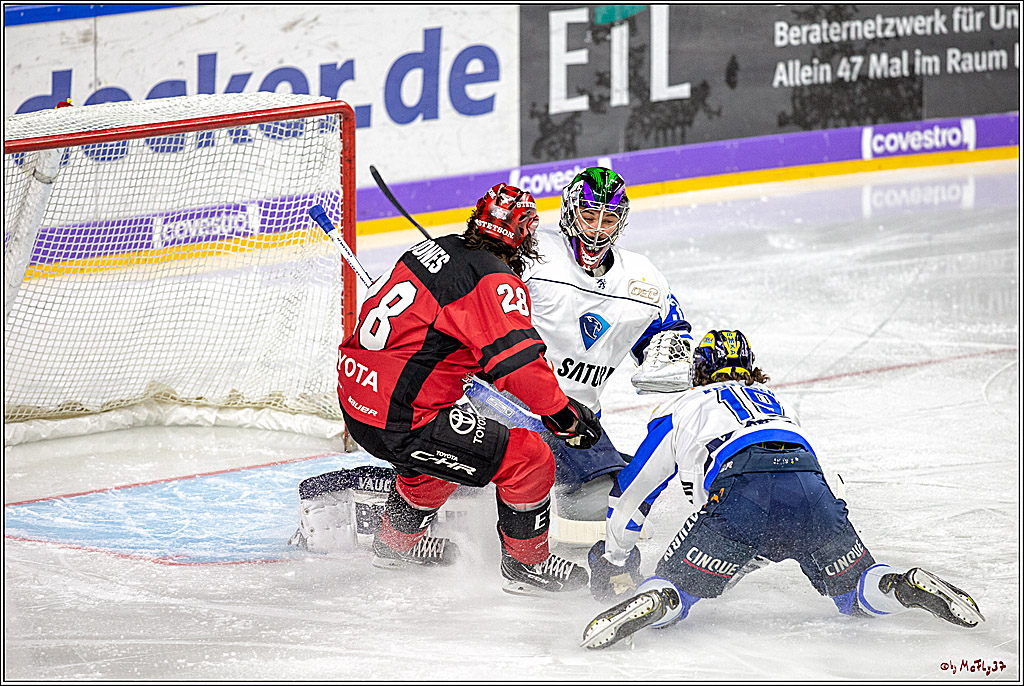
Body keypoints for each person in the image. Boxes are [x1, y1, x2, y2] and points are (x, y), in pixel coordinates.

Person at [581, 329, 985, 649]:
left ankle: (658, 600)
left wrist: (615, 556)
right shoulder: (777, 404)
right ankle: (899, 585)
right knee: (856, 592)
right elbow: (829, 480)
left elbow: (634, 490)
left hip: (741, 491)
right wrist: (826, 527)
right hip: (810, 491)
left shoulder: (683, 406)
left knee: (677, 587)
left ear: (698, 371)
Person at [334, 183, 602, 596]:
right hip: (401, 419)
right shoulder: (494, 278)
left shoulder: (430, 250)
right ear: (525, 234)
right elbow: (519, 368)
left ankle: (394, 545)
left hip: (357, 401)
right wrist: (563, 416)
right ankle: (526, 567)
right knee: (530, 458)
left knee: (439, 462)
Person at [464, 167, 694, 544]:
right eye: (589, 216)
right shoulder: (532, 255)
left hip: (575, 419)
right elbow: (471, 291)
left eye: (608, 219)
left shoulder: (643, 278)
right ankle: (440, 487)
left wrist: (667, 357)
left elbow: (668, 334)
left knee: (631, 482)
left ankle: (504, 495)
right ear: (570, 212)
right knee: (604, 501)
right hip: (500, 398)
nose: (596, 229)